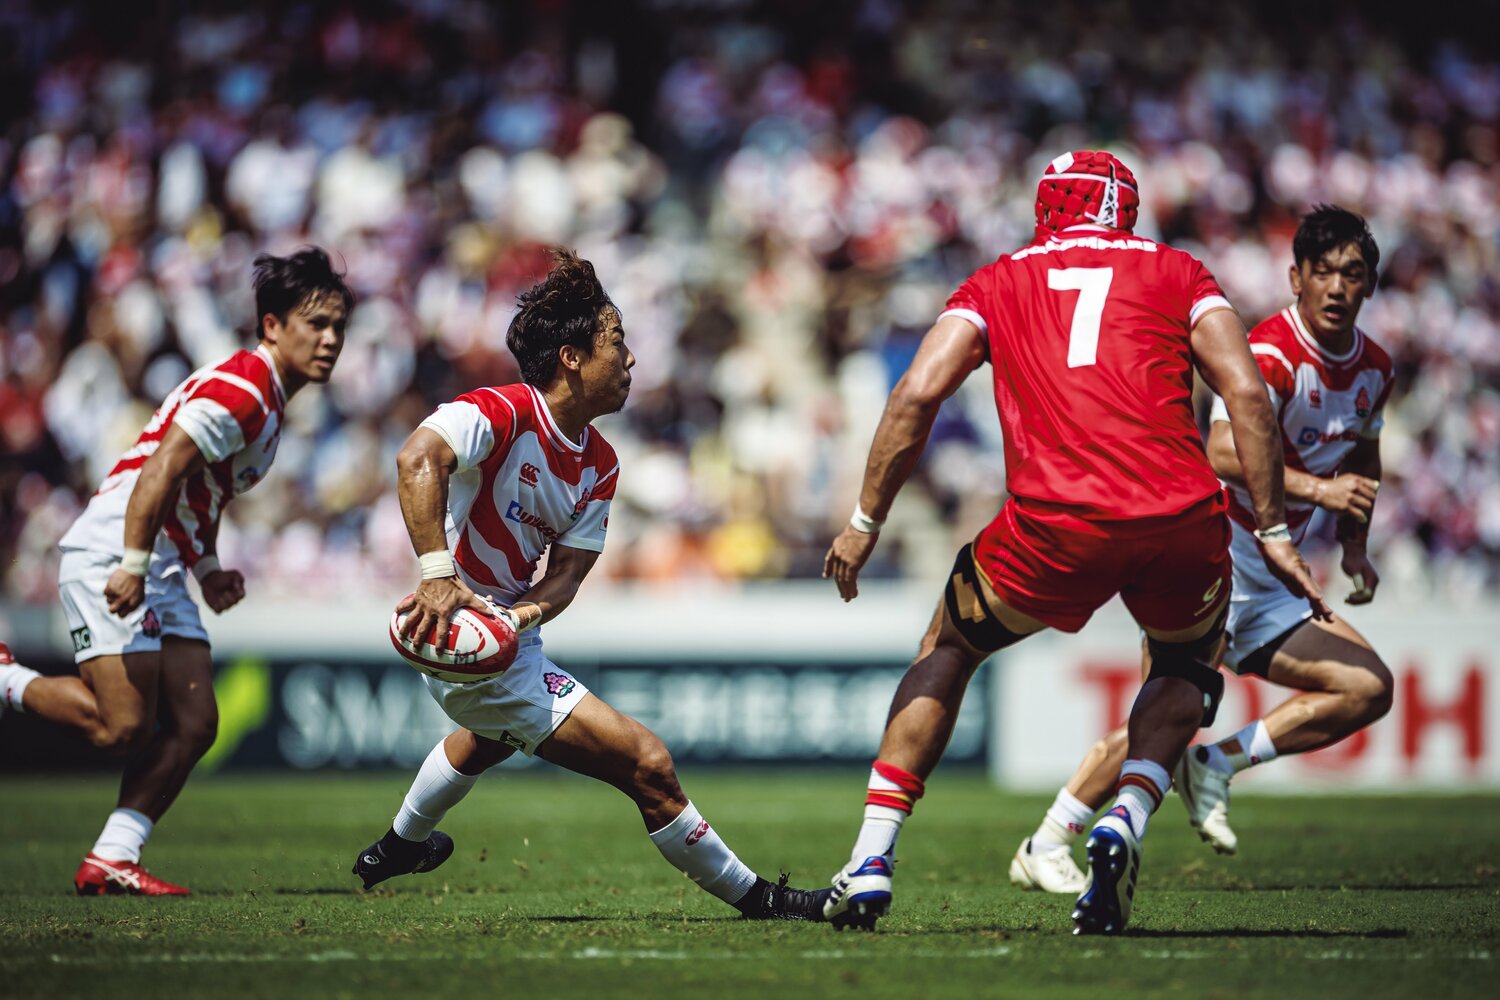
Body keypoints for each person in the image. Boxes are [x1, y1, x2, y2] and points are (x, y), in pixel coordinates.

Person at [818, 150, 1330, 935]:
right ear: (1128, 209)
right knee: (1186, 663)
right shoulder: (1179, 271)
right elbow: (1247, 393)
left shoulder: (998, 280)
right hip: (1179, 516)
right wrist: (1273, 530)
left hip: (1055, 524)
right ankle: (1124, 817)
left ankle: (871, 858)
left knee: (949, 646)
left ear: (1047, 206)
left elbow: (917, 392)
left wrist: (864, 523)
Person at [351, 249, 825, 920]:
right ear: (572, 357)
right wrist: (437, 575)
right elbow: (416, 457)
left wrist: (517, 619)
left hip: (502, 635)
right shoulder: (502, 411)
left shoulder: (600, 462)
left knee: (487, 736)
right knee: (648, 763)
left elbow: (569, 573)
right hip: (455, 626)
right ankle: (762, 899)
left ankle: (400, 845)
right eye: (617, 342)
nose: (631, 359)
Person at [1010, 206, 1394, 893]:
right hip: (1213, 561)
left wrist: (1355, 548)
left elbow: (1363, 459)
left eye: (1352, 273)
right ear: (1296, 279)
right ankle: (1047, 840)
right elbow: (1221, 451)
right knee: (1162, 719)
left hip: (1273, 580)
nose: (1337, 287)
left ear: (1369, 285)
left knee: (1366, 688)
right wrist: (1320, 491)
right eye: (1323, 272)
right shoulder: (1268, 352)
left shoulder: (1375, 370)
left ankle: (1216, 764)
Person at [0, 247, 353, 895]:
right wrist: (133, 563)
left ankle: (113, 856)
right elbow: (161, 469)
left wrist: (208, 567)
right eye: (316, 323)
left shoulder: (270, 400)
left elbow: (199, 493)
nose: (331, 339)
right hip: (118, 548)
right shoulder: (245, 388)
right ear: (273, 325)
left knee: (195, 723)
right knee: (120, 727)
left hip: (159, 558)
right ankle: (6, 678)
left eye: (338, 326)